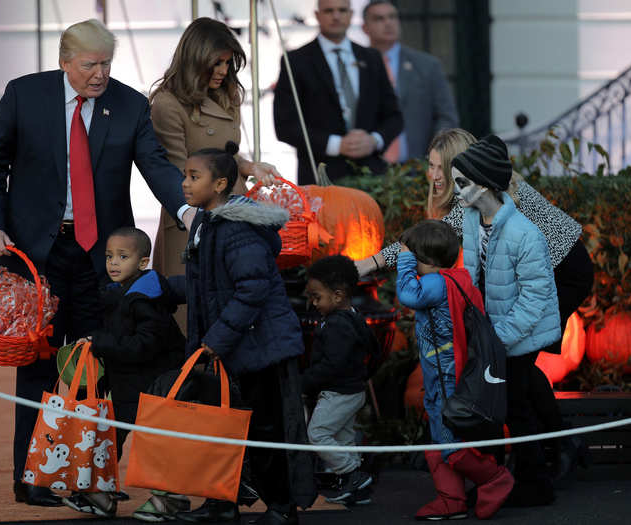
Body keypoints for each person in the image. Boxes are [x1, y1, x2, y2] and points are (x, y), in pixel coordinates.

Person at [0, 19, 189, 507]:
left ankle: (88, 477)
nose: (99, 74)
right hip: (35, 256)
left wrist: (187, 209)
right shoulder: (23, 95)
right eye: (90, 65)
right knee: (38, 365)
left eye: (106, 64)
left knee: (101, 364)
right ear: (64, 61)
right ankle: (31, 478)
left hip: (104, 258)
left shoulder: (130, 103)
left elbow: (155, 165)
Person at [357, 128, 594, 479]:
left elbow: (424, 242)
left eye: (440, 167)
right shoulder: (474, 193)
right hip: (539, 274)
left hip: (563, 272)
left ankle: (548, 455)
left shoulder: (486, 190)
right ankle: (556, 449)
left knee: (515, 369)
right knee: (521, 370)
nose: (433, 175)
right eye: (431, 166)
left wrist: (371, 263)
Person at [173, 142, 316, 525]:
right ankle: (222, 503)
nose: (185, 184)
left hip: (260, 349)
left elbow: (251, 289)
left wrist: (215, 340)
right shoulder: (207, 223)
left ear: (220, 184)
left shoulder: (238, 229)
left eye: (194, 176)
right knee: (220, 425)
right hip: (234, 347)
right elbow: (209, 283)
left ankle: (282, 508)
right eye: (185, 175)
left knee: (266, 429)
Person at [451, 135, 561, 506]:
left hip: (519, 334)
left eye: (461, 182)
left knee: (514, 406)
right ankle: (494, 479)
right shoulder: (470, 218)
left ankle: (535, 483)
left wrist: (499, 339)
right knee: (492, 409)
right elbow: (472, 274)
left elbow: (536, 296)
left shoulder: (524, 233)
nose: (455, 190)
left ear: (483, 183)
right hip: (491, 331)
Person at [150, 17, 278, 334]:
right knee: (192, 314)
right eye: (216, 63)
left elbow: (226, 151)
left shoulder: (228, 94)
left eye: (227, 62)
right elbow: (178, 171)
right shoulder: (167, 104)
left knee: (237, 307)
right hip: (192, 217)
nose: (223, 70)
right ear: (195, 60)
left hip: (233, 211)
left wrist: (250, 167)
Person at [60, 228, 186, 518]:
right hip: (128, 387)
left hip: (153, 387)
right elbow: (119, 336)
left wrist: (102, 344)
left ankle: (169, 500)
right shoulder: (117, 294)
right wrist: (94, 341)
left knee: (155, 445)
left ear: (143, 263)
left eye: (122, 256)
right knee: (110, 439)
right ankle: (100, 496)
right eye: (108, 256)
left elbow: (143, 346)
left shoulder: (145, 299)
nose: (113, 263)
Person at [396, 220, 514, 520]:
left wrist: (404, 260)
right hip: (444, 372)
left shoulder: (436, 283)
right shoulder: (457, 278)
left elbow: (408, 295)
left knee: (450, 442)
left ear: (425, 259)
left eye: (413, 256)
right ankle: (452, 499)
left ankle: (493, 478)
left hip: (446, 375)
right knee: (440, 438)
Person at [273, 0, 403, 184]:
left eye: (342, 10)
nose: (336, 16)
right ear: (317, 15)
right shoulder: (296, 61)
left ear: (351, 14)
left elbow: (394, 116)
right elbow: (285, 126)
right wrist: (336, 145)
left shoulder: (371, 58)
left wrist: (374, 140)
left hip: (372, 177)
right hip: (320, 176)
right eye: (329, 11)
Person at [303, 255, 379, 505]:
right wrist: (364, 375)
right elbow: (375, 350)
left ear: (337, 296)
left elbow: (332, 365)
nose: (313, 303)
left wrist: (305, 382)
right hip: (352, 391)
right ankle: (356, 491)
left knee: (318, 434)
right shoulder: (355, 318)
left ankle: (352, 475)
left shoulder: (337, 325)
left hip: (338, 393)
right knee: (344, 439)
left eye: (317, 297)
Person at [362, 0, 459, 164]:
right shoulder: (356, 64)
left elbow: (446, 117)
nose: (388, 23)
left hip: (418, 168)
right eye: (379, 19)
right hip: (366, 169)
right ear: (365, 28)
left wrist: (435, 154)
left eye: (392, 17)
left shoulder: (427, 65)